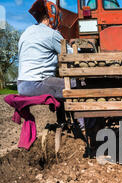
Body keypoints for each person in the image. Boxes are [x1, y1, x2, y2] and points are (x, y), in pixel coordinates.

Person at [17, 0, 85, 129]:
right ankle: (84, 125)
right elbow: (72, 55)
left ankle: (62, 121)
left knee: (58, 84)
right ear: (52, 18)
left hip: (22, 84)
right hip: (37, 83)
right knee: (77, 85)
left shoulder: (26, 32)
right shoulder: (51, 34)